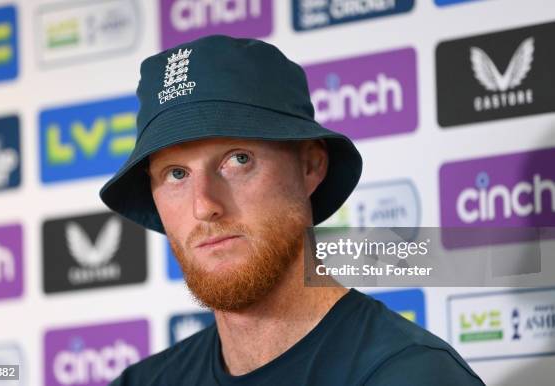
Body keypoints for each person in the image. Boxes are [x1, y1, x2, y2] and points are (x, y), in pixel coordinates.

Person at [100, 34, 485, 386]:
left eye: (238, 159)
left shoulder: (410, 376)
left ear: (310, 167)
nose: (204, 206)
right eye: (177, 173)